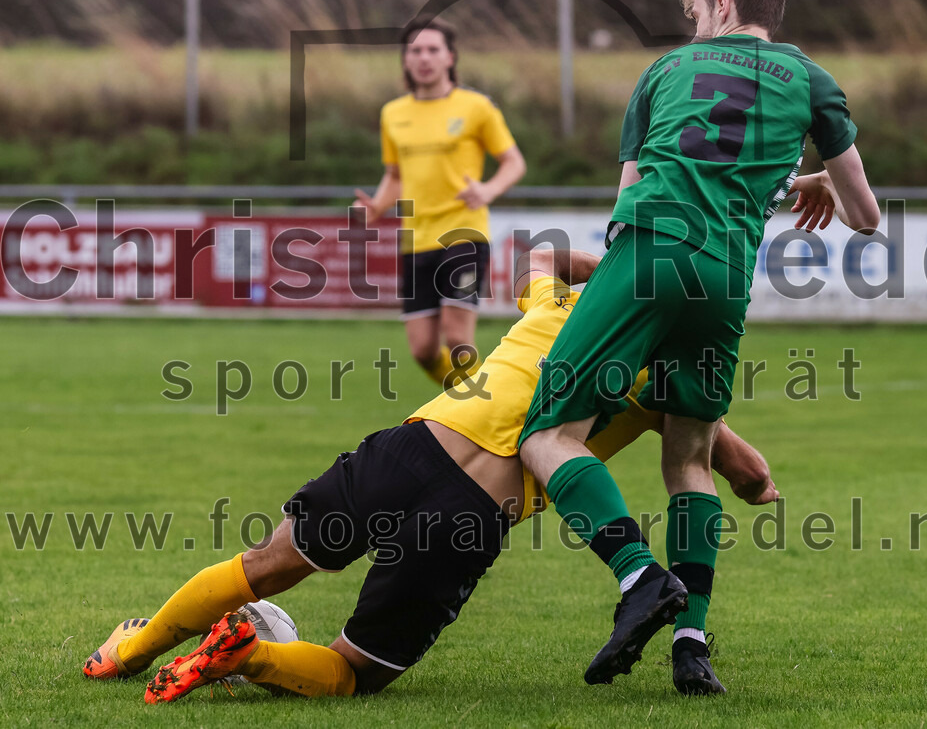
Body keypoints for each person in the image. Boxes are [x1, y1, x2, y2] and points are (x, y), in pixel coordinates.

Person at [82, 245, 776, 704]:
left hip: (409, 449)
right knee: (356, 669)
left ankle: (130, 650)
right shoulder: (659, 380)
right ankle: (248, 657)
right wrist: (756, 483)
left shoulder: (556, 305)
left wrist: (614, 269)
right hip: (472, 514)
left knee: (265, 562)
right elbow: (743, 470)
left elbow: (534, 255)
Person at [516, 0, 881, 692]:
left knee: (547, 435)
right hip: (723, 279)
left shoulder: (660, 74)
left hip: (649, 256)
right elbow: (866, 217)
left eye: (694, 15)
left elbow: (632, 194)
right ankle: (691, 643)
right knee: (690, 456)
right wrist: (795, 178)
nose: (693, 30)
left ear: (718, 4)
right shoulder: (810, 77)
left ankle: (639, 576)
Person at [354, 18, 526, 388]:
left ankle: (483, 419)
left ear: (450, 57)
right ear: (405, 60)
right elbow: (395, 176)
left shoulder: (475, 106)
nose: (424, 58)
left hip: (464, 231)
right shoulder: (393, 113)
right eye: (415, 50)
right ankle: (472, 403)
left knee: (457, 338)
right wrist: (376, 208)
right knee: (422, 350)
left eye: (433, 49)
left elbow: (514, 162)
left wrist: (487, 190)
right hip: (416, 238)